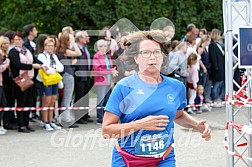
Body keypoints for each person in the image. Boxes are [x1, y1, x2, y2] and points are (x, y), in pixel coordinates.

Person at [102, 30, 211, 167]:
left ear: (163, 57)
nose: (152, 57)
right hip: (127, 159)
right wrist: (140, 125)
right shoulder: (124, 87)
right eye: (146, 53)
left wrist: (197, 125)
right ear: (136, 57)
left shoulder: (176, 87)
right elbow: (106, 130)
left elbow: (178, 115)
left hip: (164, 159)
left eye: (156, 52)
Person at [8, 32, 42, 133]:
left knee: (29, 101)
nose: (17, 41)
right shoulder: (13, 52)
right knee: (21, 102)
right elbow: (18, 64)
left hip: (30, 79)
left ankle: (26, 123)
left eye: (19, 39)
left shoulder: (27, 50)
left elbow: (35, 60)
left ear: (23, 40)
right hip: (20, 80)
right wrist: (32, 66)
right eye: (16, 39)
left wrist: (43, 65)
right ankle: (21, 124)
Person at [36, 38, 63, 131]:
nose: (51, 48)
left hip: (54, 81)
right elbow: (46, 68)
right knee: (46, 101)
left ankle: (51, 120)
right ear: (45, 47)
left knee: (52, 101)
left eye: (52, 46)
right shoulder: (41, 56)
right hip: (45, 82)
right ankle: (45, 121)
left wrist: (53, 67)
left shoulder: (54, 56)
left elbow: (61, 68)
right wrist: (53, 69)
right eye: (49, 46)